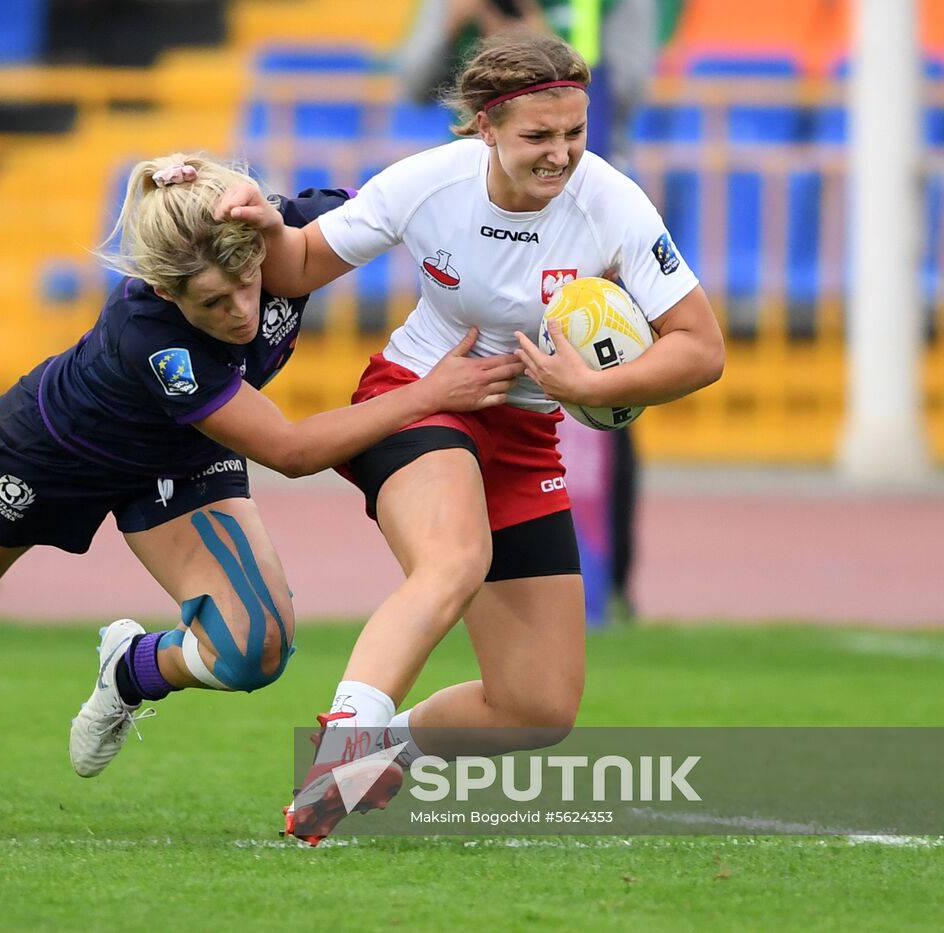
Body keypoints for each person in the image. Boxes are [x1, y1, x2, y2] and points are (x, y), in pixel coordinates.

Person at [0, 153, 524, 825]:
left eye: (248, 285)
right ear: (166, 292)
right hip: (55, 449)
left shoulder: (284, 228)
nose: (242, 309)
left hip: (183, 456)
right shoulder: (152, 336)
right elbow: (295, 450)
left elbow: (405, 199)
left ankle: (132, 669)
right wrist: (429, 393)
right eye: (212, 300)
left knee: (254, 651)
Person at [217, 30, 724, 844]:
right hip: (420, 398)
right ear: (485, 128)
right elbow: (301, 262)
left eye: (574, 133)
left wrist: (590, 389)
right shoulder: (428, 184)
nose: (561, 155)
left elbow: (700, 349)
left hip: (525, 433)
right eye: (538, 137)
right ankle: (342, 741)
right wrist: (261, 222)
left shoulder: (613, 202)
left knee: (536, 707)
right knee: (456, 559)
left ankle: (376, 757)